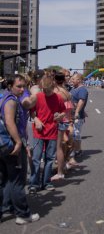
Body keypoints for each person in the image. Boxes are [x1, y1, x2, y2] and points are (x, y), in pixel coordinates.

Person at [0, 74, 40, 225]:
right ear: (10, 86)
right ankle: (22, 214)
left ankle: (5, 207)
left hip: (2, 144)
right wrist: (18, 142)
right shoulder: (11, 101)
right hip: (10, 144)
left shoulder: (3, 97)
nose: (22, 89)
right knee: (17, 180)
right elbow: (10, 123)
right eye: (19, 86)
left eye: (24, 86)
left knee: (4, 179)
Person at [29, 75, 66, 193]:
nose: (46, 92)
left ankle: (46, 182)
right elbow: (31, 111)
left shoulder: (58, 98)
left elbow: (63, 111)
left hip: (52, 131)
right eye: (44, 89)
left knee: (49, 159)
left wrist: (60, 116)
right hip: (39, 132)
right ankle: (33, 184)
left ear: (53, 86)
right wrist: (36, 119)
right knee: (36, 158)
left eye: (48, 90)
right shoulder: (38, 96)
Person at [70, 74, 88, 162]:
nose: (71, 80)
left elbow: (81, 101)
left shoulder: (82, 90)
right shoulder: (74, 88)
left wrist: (77, 112)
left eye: (73, 79)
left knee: (76, 134)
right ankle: (77, 150)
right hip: (71, 114)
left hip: (77, 116)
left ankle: (77, 151)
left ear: (79, 80)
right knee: (74, 134)